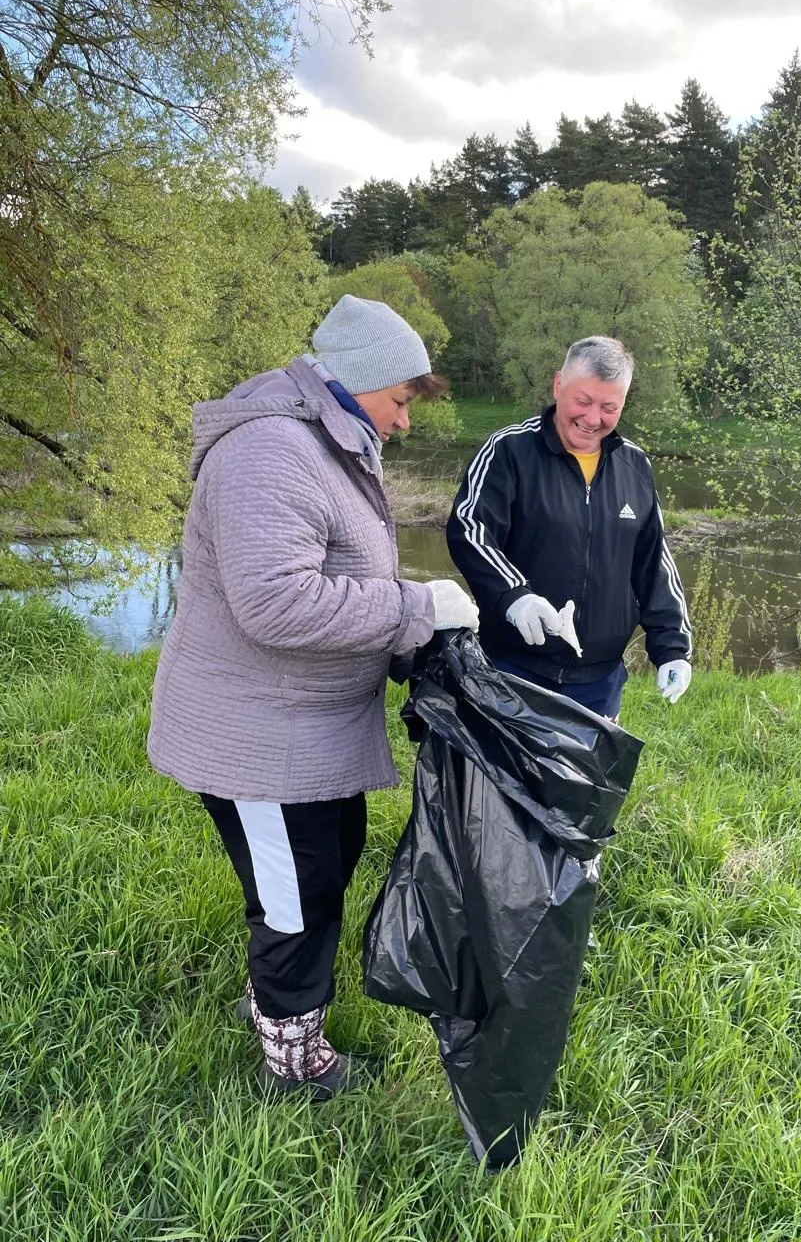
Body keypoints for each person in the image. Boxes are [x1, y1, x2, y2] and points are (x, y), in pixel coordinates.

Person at [148, 295, 479, 1101]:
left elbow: (339, 577)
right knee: (295, 898)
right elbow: (277, 603)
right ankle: (293, 1064)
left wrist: (409, 627)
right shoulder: (270, 453)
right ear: (360, 381)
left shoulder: (325, 444)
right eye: (401, 400)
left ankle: (274, 1002)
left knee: (316, 872)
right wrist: (416, 607)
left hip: (303, 728)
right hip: (257, 740)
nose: (404, 422)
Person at [446, 335, 691, 721]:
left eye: (609, 407)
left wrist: (672, 648)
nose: (593, 419)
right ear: (559, 384)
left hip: (599, 681)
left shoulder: (635, 467)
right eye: (583, 401)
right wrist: (515, 596)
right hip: (513, 667)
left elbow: (654, 563)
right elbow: (470, 530)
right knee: (504, 780)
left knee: (582, 783)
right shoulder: (509, 451)